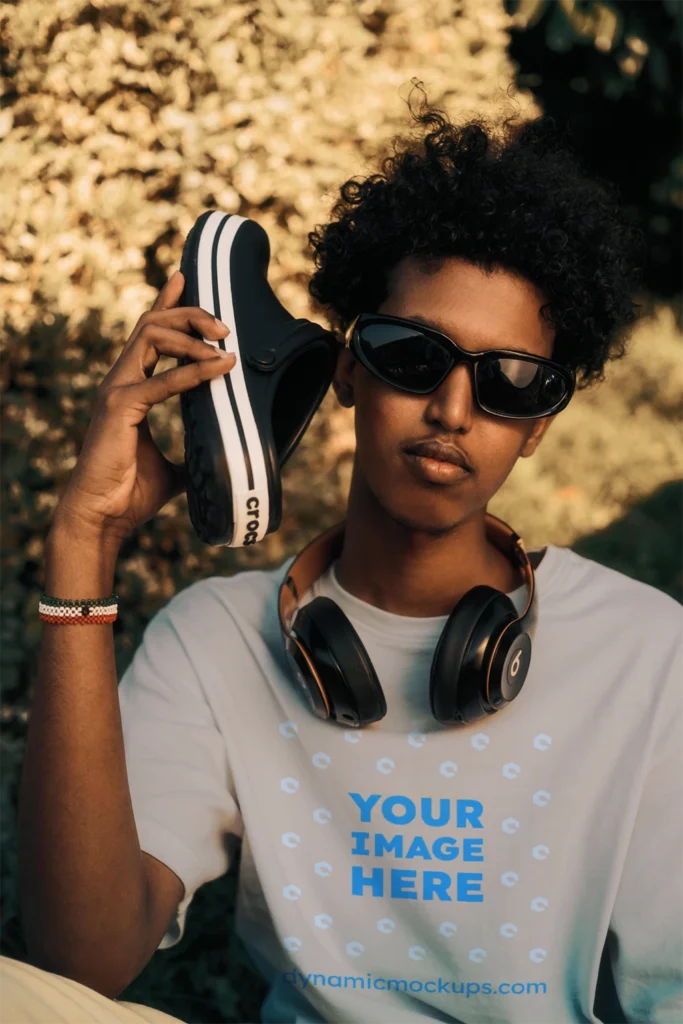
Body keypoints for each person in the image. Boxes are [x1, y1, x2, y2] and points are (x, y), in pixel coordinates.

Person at [10, 88, 683, 1024]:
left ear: (537, 427)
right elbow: (78, 963)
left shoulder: (649, 653)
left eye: (511, 383)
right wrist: (82, 544)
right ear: (347, 368)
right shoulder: (215, 641)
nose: (452, 410)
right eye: (413, 355)